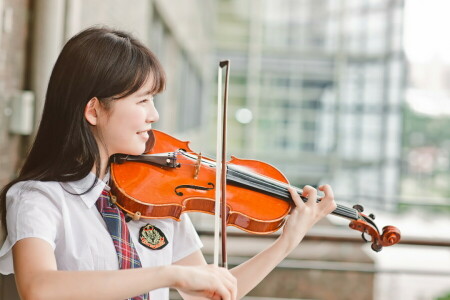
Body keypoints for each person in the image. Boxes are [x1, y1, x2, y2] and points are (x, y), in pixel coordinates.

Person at [0, 26, 336, 300]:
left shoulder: (155, 196)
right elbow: (39, 287)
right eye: (142, 100)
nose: (154, 115)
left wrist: (286, 242)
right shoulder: (38, 198)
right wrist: (167, 274)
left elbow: (212, 295)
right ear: (93, 110)